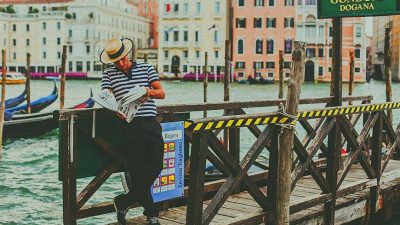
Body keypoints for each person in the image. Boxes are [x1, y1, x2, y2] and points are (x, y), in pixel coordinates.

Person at [100, 38, 165, 225]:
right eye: (116, 61)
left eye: (122, 59)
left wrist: (147, 92)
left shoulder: (146, 68)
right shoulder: (109, 74)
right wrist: (113, 108)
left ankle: (123, 202)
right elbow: (106, 95)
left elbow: (161, 93)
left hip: (150, 123)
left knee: (156, 166)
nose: (120, 64)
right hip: (128, 126)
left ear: (127, 54)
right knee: (137, 171)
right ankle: (152, 214)